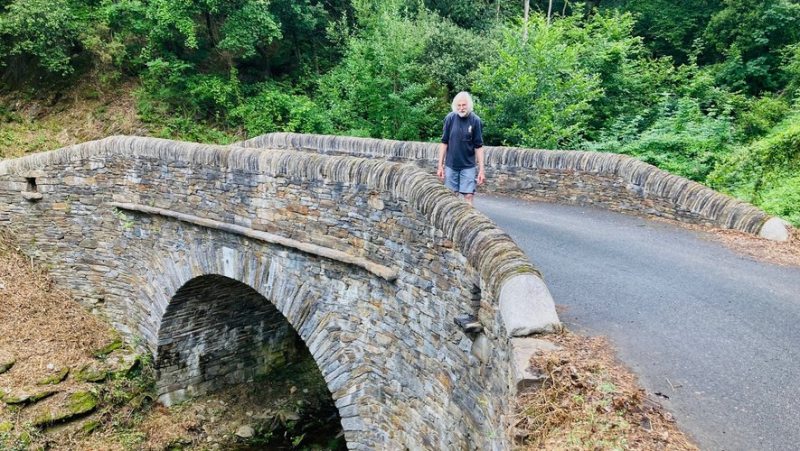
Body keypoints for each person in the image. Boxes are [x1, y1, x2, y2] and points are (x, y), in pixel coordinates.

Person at [437, 91, 485, 206]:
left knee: (468, 195)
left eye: (464, 105)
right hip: (451, 165)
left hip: (468, 165)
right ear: (455, 106)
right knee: (452, 195)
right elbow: (444, 142)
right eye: (459, 105)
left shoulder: (475, 120)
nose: (461, 108)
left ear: (469, 105)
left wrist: (482, 170)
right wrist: (440, 166)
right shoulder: (449, 118)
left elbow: (479, 146)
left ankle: (470, 222)